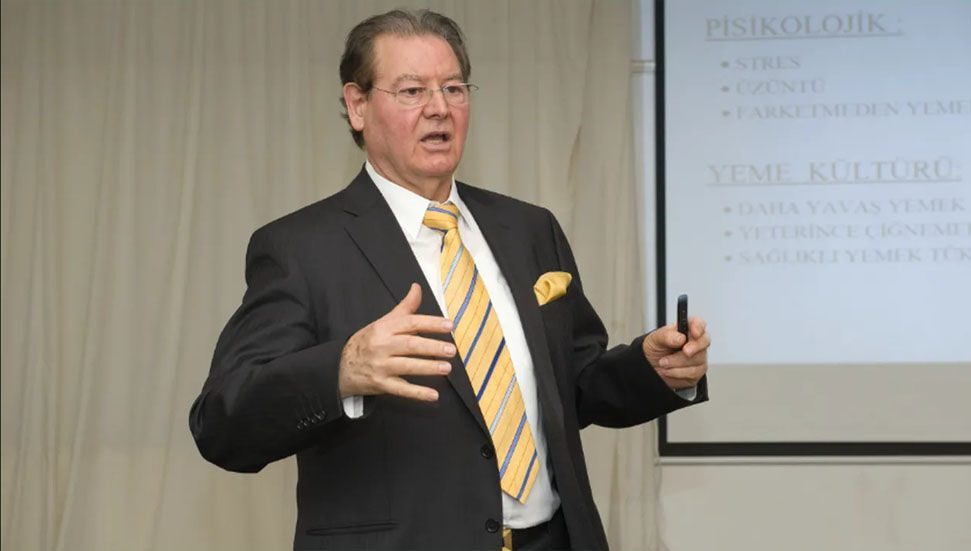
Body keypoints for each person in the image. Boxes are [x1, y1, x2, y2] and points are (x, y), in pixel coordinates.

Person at [189, 8, 710, 551]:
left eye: (454, 88)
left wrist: (652, 370)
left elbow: (573, 385)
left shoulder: (528, 229)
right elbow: (221, 425)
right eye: (412, 90)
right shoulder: (302, 248)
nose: (439, 107)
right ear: (357, 105)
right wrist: (340, 371)